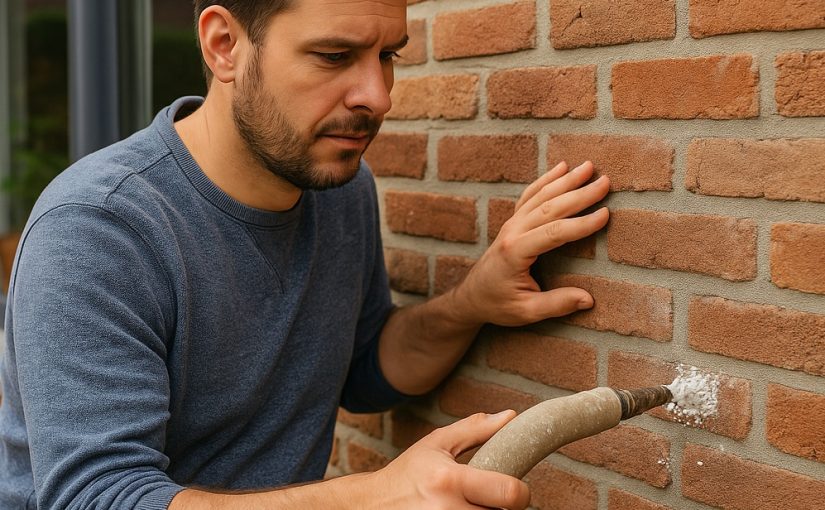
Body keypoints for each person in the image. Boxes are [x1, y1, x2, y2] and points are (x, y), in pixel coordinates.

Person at [0, 0, 610, 508]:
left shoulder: (337, 184)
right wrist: (371, 497)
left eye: (388, 56)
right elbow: (97, 497)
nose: (377, 96)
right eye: (334, 57)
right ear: (224, 45)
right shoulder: (100, 227)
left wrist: (471, 301)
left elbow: (365, 373)